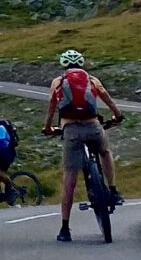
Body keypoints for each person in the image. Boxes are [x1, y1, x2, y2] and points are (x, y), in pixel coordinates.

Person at [42, 49, 125, 242]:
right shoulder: (92, 80)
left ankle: (65, 227)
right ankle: (113, 189)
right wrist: (117, 115)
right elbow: (106, 97)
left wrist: (47, 127)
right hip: (93, 126)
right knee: (104, 151)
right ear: (81, 64)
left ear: (64, 65)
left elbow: (52, 107)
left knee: (70, 177)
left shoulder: (58, 82)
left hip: (71, 130)